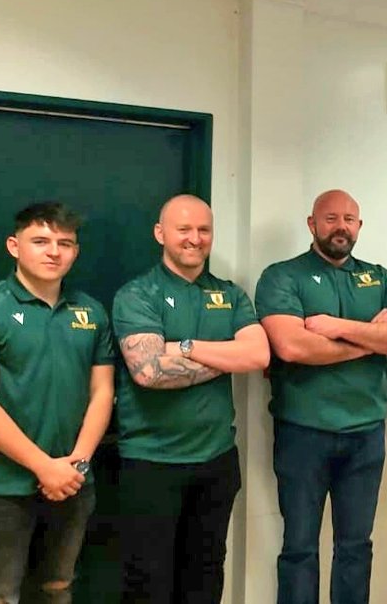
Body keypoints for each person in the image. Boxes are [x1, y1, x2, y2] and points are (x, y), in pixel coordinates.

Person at [255, 189, 387, 604]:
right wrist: (371, 338)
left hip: (365, 435)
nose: (341, 226)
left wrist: (333, 325)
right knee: (299, 548)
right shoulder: (282, 276)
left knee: (355, 547)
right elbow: (293, 348)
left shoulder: (380, 277)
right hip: (303, 433)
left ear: (359, 227)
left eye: (349, 219)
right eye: (330, 218)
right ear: (312, 225)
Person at [0, 202, 115, 604]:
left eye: (65, 243)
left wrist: (76, 464)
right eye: (40, 241)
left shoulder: (90, 311)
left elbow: (102, 392)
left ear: (75, 251)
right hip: (2, 487)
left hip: (74, 482)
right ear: (14, 246)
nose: (53, 251)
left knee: (59, 589)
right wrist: (44, 467)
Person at [112, 194, 270, 603]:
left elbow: (258, 355)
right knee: (148, 582)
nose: (194, 239)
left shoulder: (230, 294)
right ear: (160, 233)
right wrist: (226, 354)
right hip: (151, 462)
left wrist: (183, 347)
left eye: (203, 230)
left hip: (216, 461)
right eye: (184, 229)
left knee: (205, 577)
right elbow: (148, 371)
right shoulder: (137, 294)